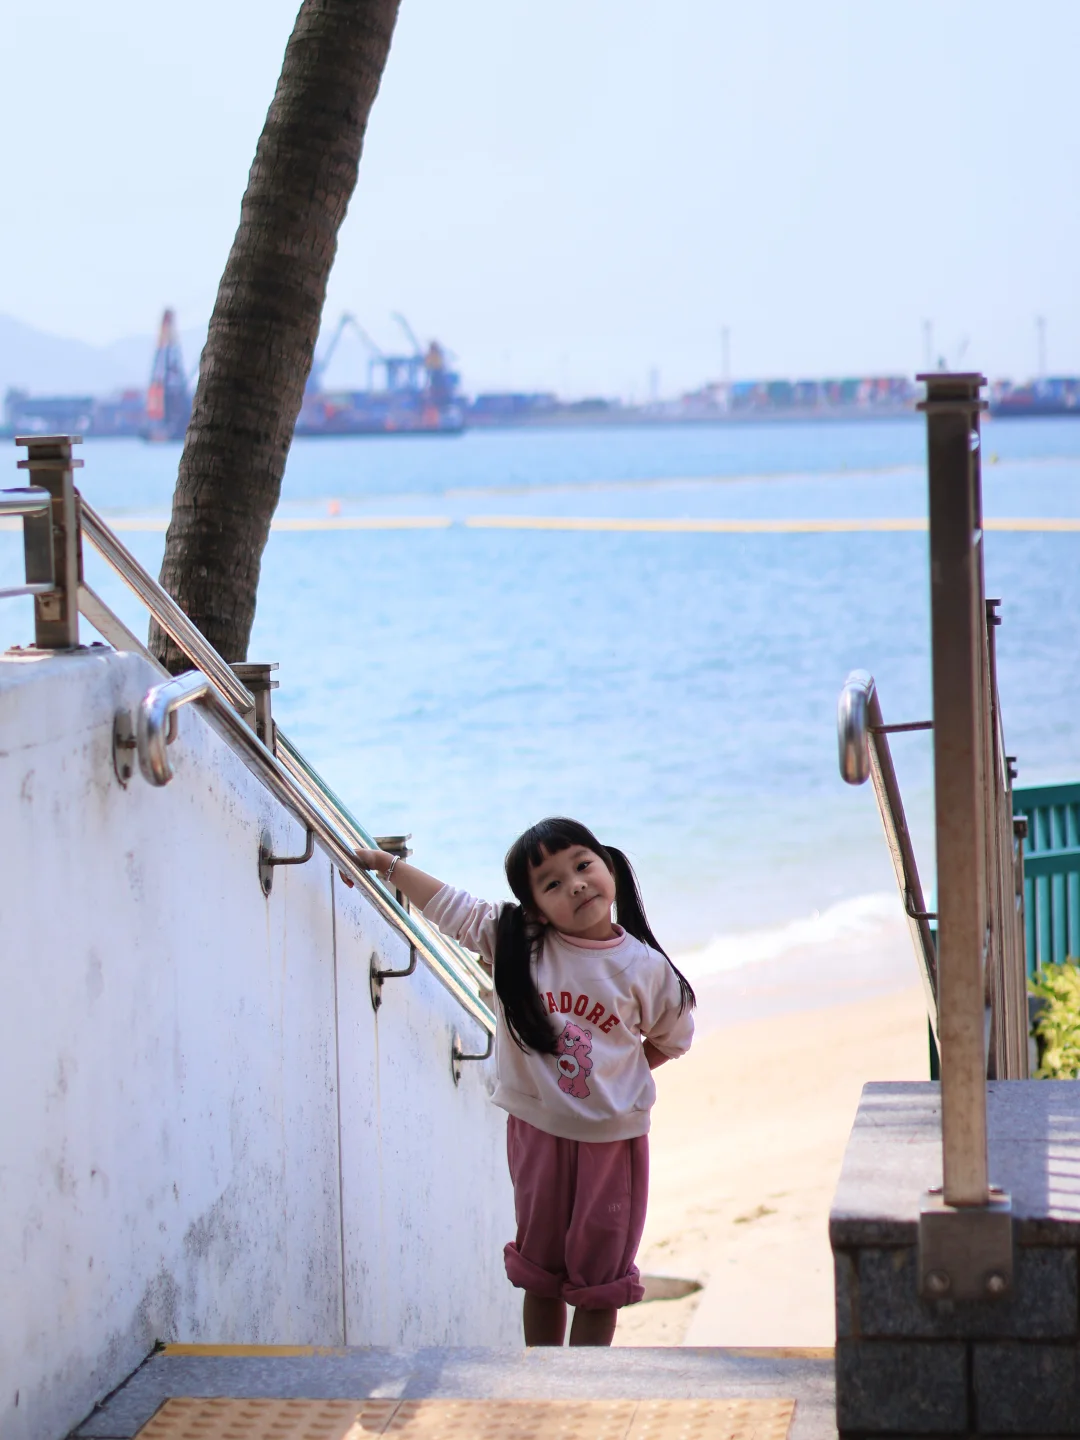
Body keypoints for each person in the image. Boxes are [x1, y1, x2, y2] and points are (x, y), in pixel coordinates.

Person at [344, 815, 695, 1348]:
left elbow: (673, 1038)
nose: (575, 884)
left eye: (583, 865)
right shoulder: (519, 943)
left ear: (609, 866)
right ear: (534, 908)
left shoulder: (645, 967)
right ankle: (543, 1383)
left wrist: (617, 1078)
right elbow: (451, 907)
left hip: (612, 1143)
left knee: (600, 1285)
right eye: (552, 883)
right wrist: (387, 866)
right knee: (541, 1273)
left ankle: (582, 1389)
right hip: (537, 1134)